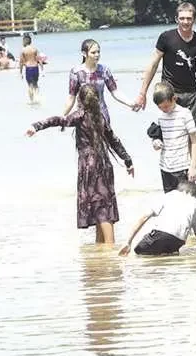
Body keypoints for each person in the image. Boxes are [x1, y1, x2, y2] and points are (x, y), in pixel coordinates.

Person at [26, 84, 134, 244]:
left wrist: (36, 126)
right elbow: (114, 140)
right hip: (104, 165)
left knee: (100, 209)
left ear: (80, 100)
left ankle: (110, 247)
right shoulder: (101, 117)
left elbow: (58, 120)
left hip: (89, 167)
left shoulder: (80, 115)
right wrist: (128, 161)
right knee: (103, 206)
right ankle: (102, 250)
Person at [135, 2, 196, 134]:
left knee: (193, 134)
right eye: (182, 18)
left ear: (195, 20)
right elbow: (153, 65)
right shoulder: (166, 38)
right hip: (169, 94)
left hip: (191, 95)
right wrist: (142, 93)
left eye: (189, 18)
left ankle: (193, 156)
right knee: (171, 134)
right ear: (176, 19)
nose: (185, 22)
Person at [119, 181, 196, 256]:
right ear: (194, 195)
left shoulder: (168, 196)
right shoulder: (195, 203)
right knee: (168, 254)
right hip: (178, 241)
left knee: (139, 251)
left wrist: (128, 242)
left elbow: (144, 218)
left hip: (161, 234)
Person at [62, 39, 136, 123]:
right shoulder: (76, 72)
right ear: (84, 53)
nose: (97, 55)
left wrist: (130, 103)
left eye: (98, 52)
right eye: (93, 53)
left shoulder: (104, 70)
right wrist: (62, 117)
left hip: (102, 115)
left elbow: (115, 91)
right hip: (83, 118)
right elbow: (71, 98)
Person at [152, 82, 196, 192]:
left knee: (186, 202)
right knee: (170, 203)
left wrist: (193, 167)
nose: (164, 110)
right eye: (160, 108)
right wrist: (156, 143)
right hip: (165, 167)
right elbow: (156, 137)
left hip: (182, 167)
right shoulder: (160, 116)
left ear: (174, 98)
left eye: (166, 106)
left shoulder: (185, 114)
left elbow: (194, 141)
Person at [19, 35, 42, 104]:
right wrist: (42, 69)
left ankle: (32, 101)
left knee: (30, 85)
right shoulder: (35, 49)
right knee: (36, 84)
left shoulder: (23, 50)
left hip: (28, 68)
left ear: (24, 41)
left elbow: (21, 62)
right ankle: (38, 98)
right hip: (36, 68)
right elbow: (39, 60)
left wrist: (20, 72)